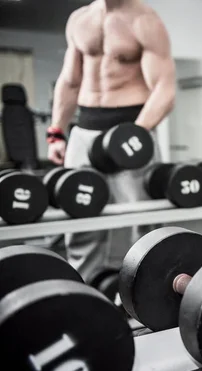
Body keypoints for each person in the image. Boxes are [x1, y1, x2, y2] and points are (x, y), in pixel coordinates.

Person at [47, 0, 176, 281]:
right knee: (79, 216)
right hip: (85, 129)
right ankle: (85, 292)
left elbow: (165, 88)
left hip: (131, 126)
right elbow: (69, 81)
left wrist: (134, 136)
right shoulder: (79, 19)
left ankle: (146, 295)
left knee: (143, 221)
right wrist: (56, 131)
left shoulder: (144, 20)